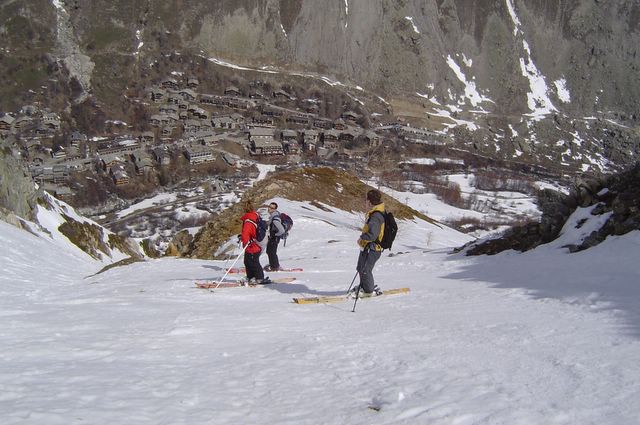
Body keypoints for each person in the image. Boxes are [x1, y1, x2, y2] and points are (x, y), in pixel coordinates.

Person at [355, 189, 385, 297]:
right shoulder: (377, 212)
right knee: (360, 268)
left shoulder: (376, 216)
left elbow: (373, 235)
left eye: (367, 199)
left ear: (370, 201)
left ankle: (368, 291)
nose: (366, 202)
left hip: (373, 248)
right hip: (368, 247)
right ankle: (365, 287)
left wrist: (362, 238)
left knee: (365, 270)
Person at [240, 200, 270, 284]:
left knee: (253, 261)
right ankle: (251, 277)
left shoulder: (248, 220)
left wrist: (244, 242)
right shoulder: (254, 216)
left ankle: (259, 277)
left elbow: (246, 233)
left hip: (252, 245)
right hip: (255, 241)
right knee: (248, 261)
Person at [264, 201, 286, 271]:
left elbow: (282, 230)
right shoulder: (273, 216)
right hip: (273, 237)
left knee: (272, 252)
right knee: (270, 251)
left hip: (274, 238)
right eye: (269, 207)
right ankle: (274, 265)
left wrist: (275, 235)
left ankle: (275, 267)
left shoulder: (275, 218)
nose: (269, 209)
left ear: (275, 209)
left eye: (272, 208)